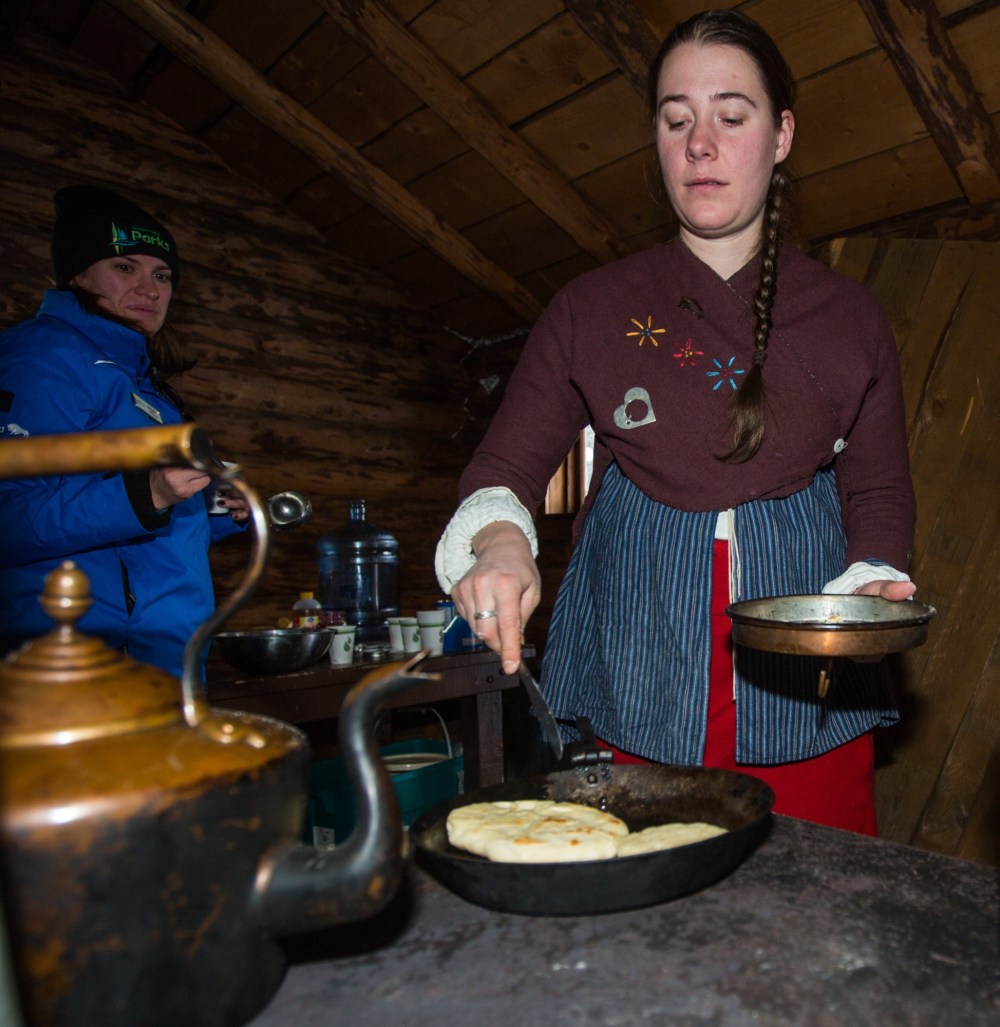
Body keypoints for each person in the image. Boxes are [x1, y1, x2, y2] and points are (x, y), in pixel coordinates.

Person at [434, 10, 917, 835]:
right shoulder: (590, 308)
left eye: (732, 116)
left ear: (782, 135)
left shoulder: (851, 316)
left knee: (814, 913)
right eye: (675, 117)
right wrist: (502, 543)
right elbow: (505, 468)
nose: (701, 143)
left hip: (808, 677)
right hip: (638, 656)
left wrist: (871, 580)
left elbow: (877, 487)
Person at [0, 185, 247, 680]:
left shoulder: (140, 382)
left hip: (163, 660)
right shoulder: (41, 359)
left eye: (162, 275)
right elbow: (10, 518)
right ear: (76, 275)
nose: (150, 289)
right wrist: (150, 492)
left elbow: (138, 527)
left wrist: (217, 508)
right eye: (123, 267)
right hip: (78, 665)